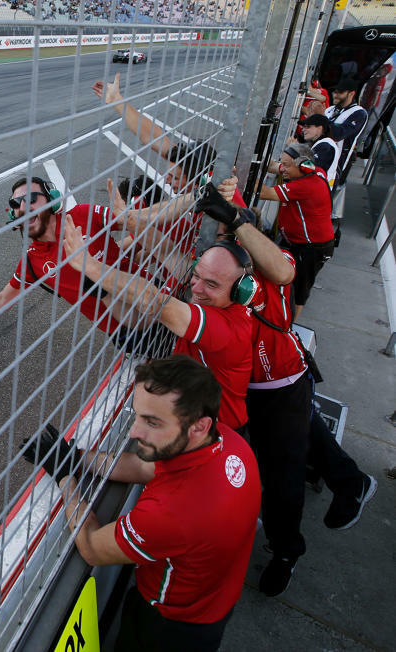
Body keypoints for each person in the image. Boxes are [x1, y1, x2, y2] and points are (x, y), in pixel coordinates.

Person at [198, 180, 378, 596]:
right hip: (258, 389)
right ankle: (352, 482)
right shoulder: (217, 276)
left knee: (283, 477)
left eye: (230, 238)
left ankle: (285, 551)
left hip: (283, 383)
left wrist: (235, 218)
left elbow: (283, 269)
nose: (221, 247)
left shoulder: (267, 266)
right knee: (307, 437)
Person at [24, 355, 260, 651]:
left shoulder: (171, 512)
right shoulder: (228, 442)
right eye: (136, 415)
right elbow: (144, 466)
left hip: (170, 626)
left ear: (199, 426)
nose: (134, 431)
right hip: (217, 597)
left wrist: (65, 478)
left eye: (152, 422)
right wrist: (76, 457)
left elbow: (93, 547)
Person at [63, 211, 257, 434]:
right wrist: (101, 288)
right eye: (196, 275)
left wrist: (89, 265)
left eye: (211, 284)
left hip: (219, 431)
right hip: (193, 416)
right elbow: (165, 253)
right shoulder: (211, 299)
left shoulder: (229, 329)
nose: (196, 288)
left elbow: (154, 302)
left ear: (239, 292)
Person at [0, 176, 184, 353]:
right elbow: (1, 299)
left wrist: (191, 199)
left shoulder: (82, 215)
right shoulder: (32, 261)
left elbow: (137, 219)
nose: (22, 206)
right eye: (15, 203)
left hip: (157, 293)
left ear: (52, 200)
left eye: (30, 198)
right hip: (130, 332)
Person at [92, 73, 218, 196]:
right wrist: (117, 100)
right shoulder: (199, 186)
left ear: (198, 180)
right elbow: (151, 136)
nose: (166, 181)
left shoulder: (219, 204)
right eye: (169, 175)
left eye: (175, 178)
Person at [255, 144, 333, 318]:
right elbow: (277, 167)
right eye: (283, 163)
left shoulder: (306, 186)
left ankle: (289, 328)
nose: (283, 169)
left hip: (311, 248)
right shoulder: (315, 171)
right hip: (296, 242)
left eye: (288, 165)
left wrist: (240, 174)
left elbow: (264, 192)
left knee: (299, 289)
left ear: (304, 166)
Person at [322, 76, 367, 188]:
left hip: (333, 167)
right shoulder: (330, 109)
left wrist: (321, 120)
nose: (335, 95)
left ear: (351, 94)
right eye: (335, 92)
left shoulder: (359, 113)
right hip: (317, 158)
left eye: (340, 92)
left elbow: (338, 134)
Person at [297, 114, 341, 188]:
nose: (303, 130)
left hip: (317, 194)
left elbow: (310, 168)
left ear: (320, 128)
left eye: (308, 127)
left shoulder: (326, 146)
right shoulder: (322, 144)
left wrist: (294, 151)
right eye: (304, 127)